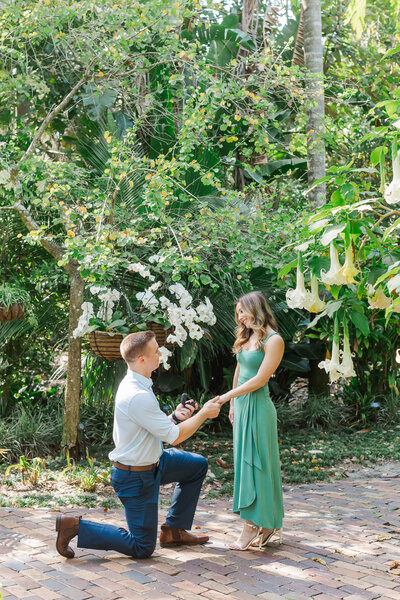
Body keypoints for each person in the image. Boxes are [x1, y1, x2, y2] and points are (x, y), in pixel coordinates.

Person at [55, 330, 221, 559]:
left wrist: (174, 417)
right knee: (142, 547)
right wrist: (203, 414)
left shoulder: (140, 382)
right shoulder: (136, 394)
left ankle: (174, 530)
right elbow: (174, 438)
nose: (160, 352)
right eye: (156, 350)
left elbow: (154, 428)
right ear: (142, 359)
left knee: (196, 465)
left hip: (156, 463)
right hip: (135, 478)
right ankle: (74, 526)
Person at [218, 291, 285, 551]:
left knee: (261, 466)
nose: (240, 317)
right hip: (243, 406)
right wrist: (234, 403)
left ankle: (258, 524)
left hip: (259, 408)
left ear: (255, 309)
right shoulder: (247, 337)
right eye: (238, 314)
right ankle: (260, 524)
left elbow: (258, 380)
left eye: (242, 312)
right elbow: (239, 368)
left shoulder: (273, 340)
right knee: (244, 465)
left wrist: (225, 397)